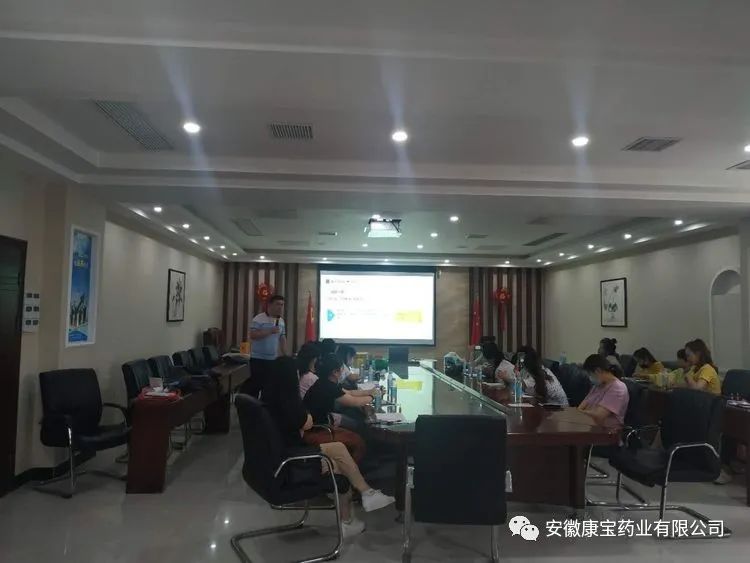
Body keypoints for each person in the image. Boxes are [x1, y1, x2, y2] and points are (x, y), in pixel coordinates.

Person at [263, 356, 395, 537]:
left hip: (284, 454)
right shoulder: (287, 401)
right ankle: (348, 519)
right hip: (294, 458)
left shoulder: (270, 399)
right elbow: (307, 422)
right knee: (342, 468)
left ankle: (367, 493)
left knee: (340, 449)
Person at [243, 294, 286, 397]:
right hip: (258, 359)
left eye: (282, 305)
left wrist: (285, 354)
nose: (280, 307)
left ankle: (265, 405)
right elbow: (253, 335)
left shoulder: (281, 321)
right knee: (255, 386)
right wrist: (270, 331)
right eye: (278, 304)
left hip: (273, 359)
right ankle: (252, 405)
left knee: (269, 388)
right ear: (270, 305)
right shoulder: (259, 319)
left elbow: (282, 337)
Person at [578, 354, 629, 427]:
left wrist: (583, 412)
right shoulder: (597, 386)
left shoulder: (618, 388)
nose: (590, 378)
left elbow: (599, 416)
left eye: (590, 374)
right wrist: (584, 412)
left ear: (598, 371)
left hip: (607, 431)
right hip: (591, 425)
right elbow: (580, 408)